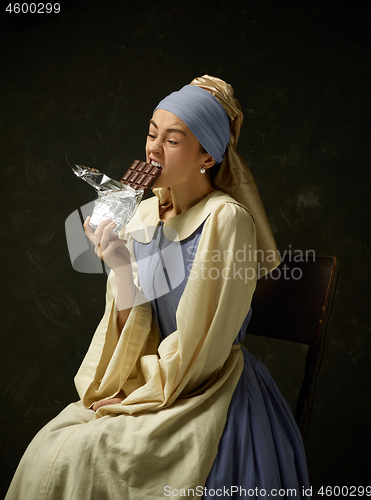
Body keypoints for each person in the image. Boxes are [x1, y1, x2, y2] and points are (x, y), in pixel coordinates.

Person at [6, 75, 309, 499]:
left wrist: (139, 400)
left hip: (205, 386)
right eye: (151, 134)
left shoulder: (226, 220)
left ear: (207, 154)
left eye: (172, 140)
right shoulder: (143, 215)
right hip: (152, 378)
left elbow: (203, 347)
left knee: (89, 452)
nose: (153, 149)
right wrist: (120, 269)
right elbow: (136, 330)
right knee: (50, 448)